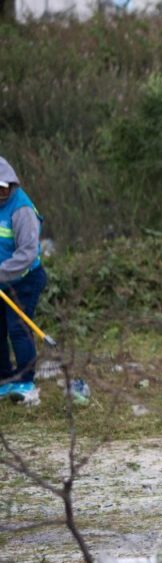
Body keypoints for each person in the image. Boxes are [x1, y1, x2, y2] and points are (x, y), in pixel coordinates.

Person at [0, 157, 47, 406]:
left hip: (24, 280)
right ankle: (5, 379)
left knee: (18, 328)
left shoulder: (22, 210)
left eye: (2, 188)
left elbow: (27, 254)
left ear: (10, 184)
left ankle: (26, 382)